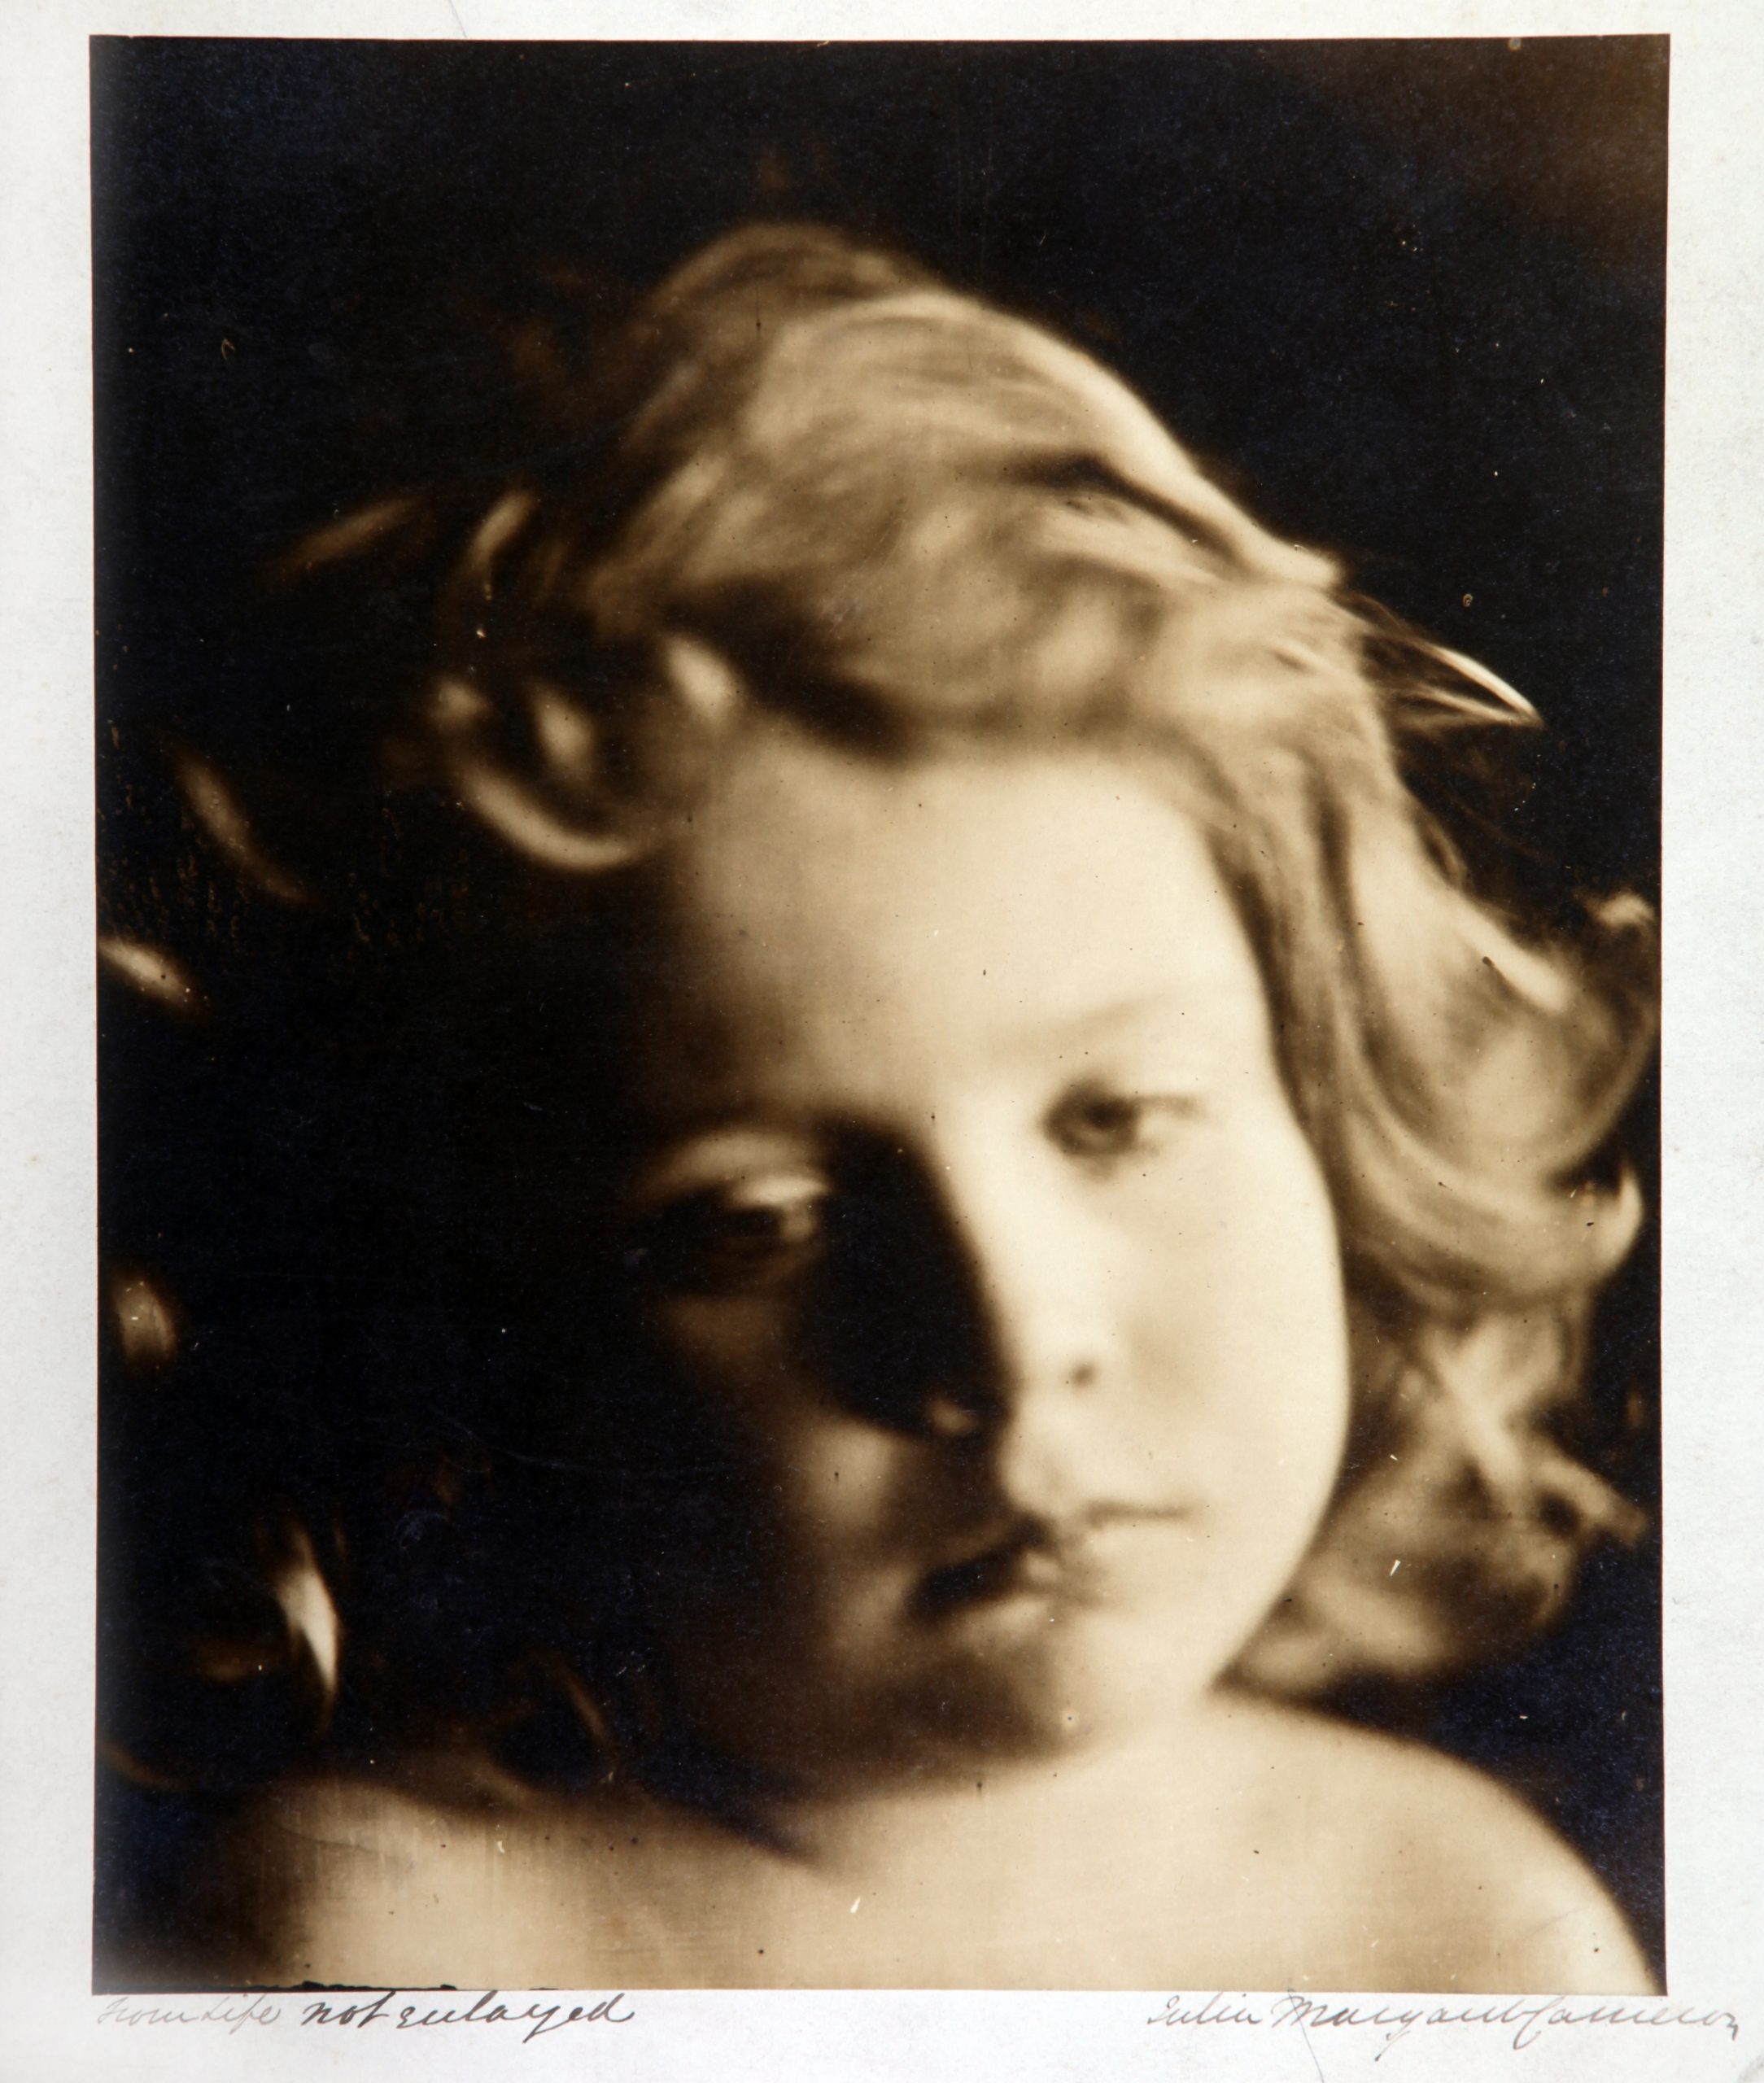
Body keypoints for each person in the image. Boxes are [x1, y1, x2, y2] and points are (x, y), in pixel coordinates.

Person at [98, 223, 1657, 1992]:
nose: (1007, 1340)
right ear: (470, 1350)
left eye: (1117, 1117)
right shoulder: (381, 1951)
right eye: (753, 1220)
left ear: (1334, 1105)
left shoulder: (1464, 1929)